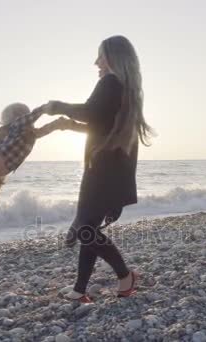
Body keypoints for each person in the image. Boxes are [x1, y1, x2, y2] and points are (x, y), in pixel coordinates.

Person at [40, 35, 154, 302]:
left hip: (104, 169)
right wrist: (68, 125)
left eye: (100, 56)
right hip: (110, 168)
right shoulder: (125, 88)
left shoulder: (111, 82)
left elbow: (91, 113)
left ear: (114, 58)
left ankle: (125, 275)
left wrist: (57, 106)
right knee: (88, 228)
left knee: (85, 230)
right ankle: (80, 290)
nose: (96, 62)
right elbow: (101, 125)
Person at [0, 103, 80, 238]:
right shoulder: (16, 126)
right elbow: (31, 117)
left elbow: (45, 129)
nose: (31, 124)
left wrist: (58, 124)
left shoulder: (32, 134)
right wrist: (43, 109)